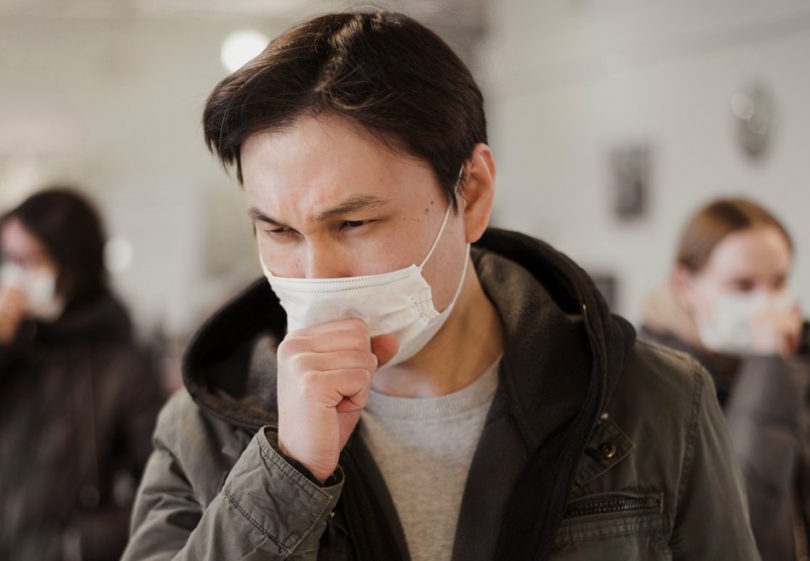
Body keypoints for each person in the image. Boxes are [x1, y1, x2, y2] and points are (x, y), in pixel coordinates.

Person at [122, 12, 759, 561]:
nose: (315, 279)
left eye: (354, 222)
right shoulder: (206, 427)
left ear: (472, 192)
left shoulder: (656, 403)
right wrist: (287, 473)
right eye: (280, 232)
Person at [641, 197, 810, 560]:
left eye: (779, 281)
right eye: (743, 285)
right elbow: (736, 529)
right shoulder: (653, 396)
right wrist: (770, 365)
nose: (767, 304)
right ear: (686, 286)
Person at [0, 188, 165, 561]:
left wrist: (77, 545)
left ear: (73, 266)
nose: (13, 275)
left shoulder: (122, 364)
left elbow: (164, 488)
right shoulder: (5, 345)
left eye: (28, 259)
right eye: (6, 257)